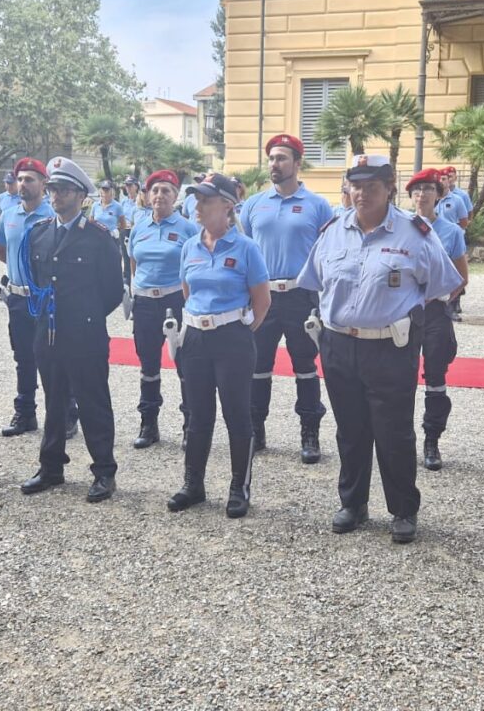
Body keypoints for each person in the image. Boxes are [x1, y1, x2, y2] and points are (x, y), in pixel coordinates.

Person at [298, 155, 463, 541]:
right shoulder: (333, 231)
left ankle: (403, 509)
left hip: (390, 347)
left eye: (371, 186)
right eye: (355, 185)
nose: (362, 193)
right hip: (338, 344)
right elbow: (316, 281)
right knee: (350, 429)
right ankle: (352, 504)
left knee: (394, 433)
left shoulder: (415, 233)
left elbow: (445, 284)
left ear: (389, 188)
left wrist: (404, 315)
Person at [19, 157, 124, 502]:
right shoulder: (39, 233)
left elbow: (112, 290)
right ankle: (51, 467)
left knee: (93, 401)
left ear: (81, 196)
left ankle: (104, 471)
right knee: (54, 401)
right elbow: (37, 280)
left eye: (63, 190)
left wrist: (85, 316)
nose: (56, 195)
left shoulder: (98, 237)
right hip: (48, 332)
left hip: (85, 334)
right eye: (52, 189)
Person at [167, 173, 270, 518]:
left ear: (227, 206)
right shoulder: (190, 246)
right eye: (197, 199)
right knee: (198, 414)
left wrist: (239, 330)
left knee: (236, 414)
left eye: (206, 200)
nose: (197, 206)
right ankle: (193, 485)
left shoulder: (246, 248)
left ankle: (239, 488)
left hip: (232, 338)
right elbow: (188, 292)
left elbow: (262, 301)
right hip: (195, 337)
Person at [239, 134, 333, 462]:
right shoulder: (253, 205)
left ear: (297, 163)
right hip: (263, 296)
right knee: (257, 366)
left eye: (281, 158)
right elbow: (245, 251)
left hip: (301, 296)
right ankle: (256, 430)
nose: (274, 164)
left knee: (305, 366)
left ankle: (310, 433)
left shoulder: (318, 205)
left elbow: (328, 252)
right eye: (271, 158)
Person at [127, 169, 198, 448]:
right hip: (145, 303)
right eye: (154, 190)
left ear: (175, 195)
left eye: (166, 191)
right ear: (147, 195)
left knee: (186, 366)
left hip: (175, 301)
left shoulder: (188, 229)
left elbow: (194, 267)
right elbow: (134, 264)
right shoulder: (139, 227)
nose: (159, 196)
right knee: (148, 366)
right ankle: (149, 424)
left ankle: (190, 425)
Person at [407, 168, 469, 470]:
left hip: (434, 313)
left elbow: (461, 277)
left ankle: (432, 439)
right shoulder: (400, 227)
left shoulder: (451, 232)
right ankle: (401, 438)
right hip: (404, 313)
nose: (422, 195)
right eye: (417, 191)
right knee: (399, 376)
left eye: (428, 190)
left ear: (439, 195)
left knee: (435, 377)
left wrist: (440, 295)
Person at [0, 157, 56, 437]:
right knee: (23, 358)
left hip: (45, 300)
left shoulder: (53, 214)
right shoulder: (9, 216)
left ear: (43, 184)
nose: (22, 184)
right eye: (20, 179)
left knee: (52, 358)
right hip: (18, 298)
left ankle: (64, 413)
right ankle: (25, 413)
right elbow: (1, 251)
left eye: (29, 179)